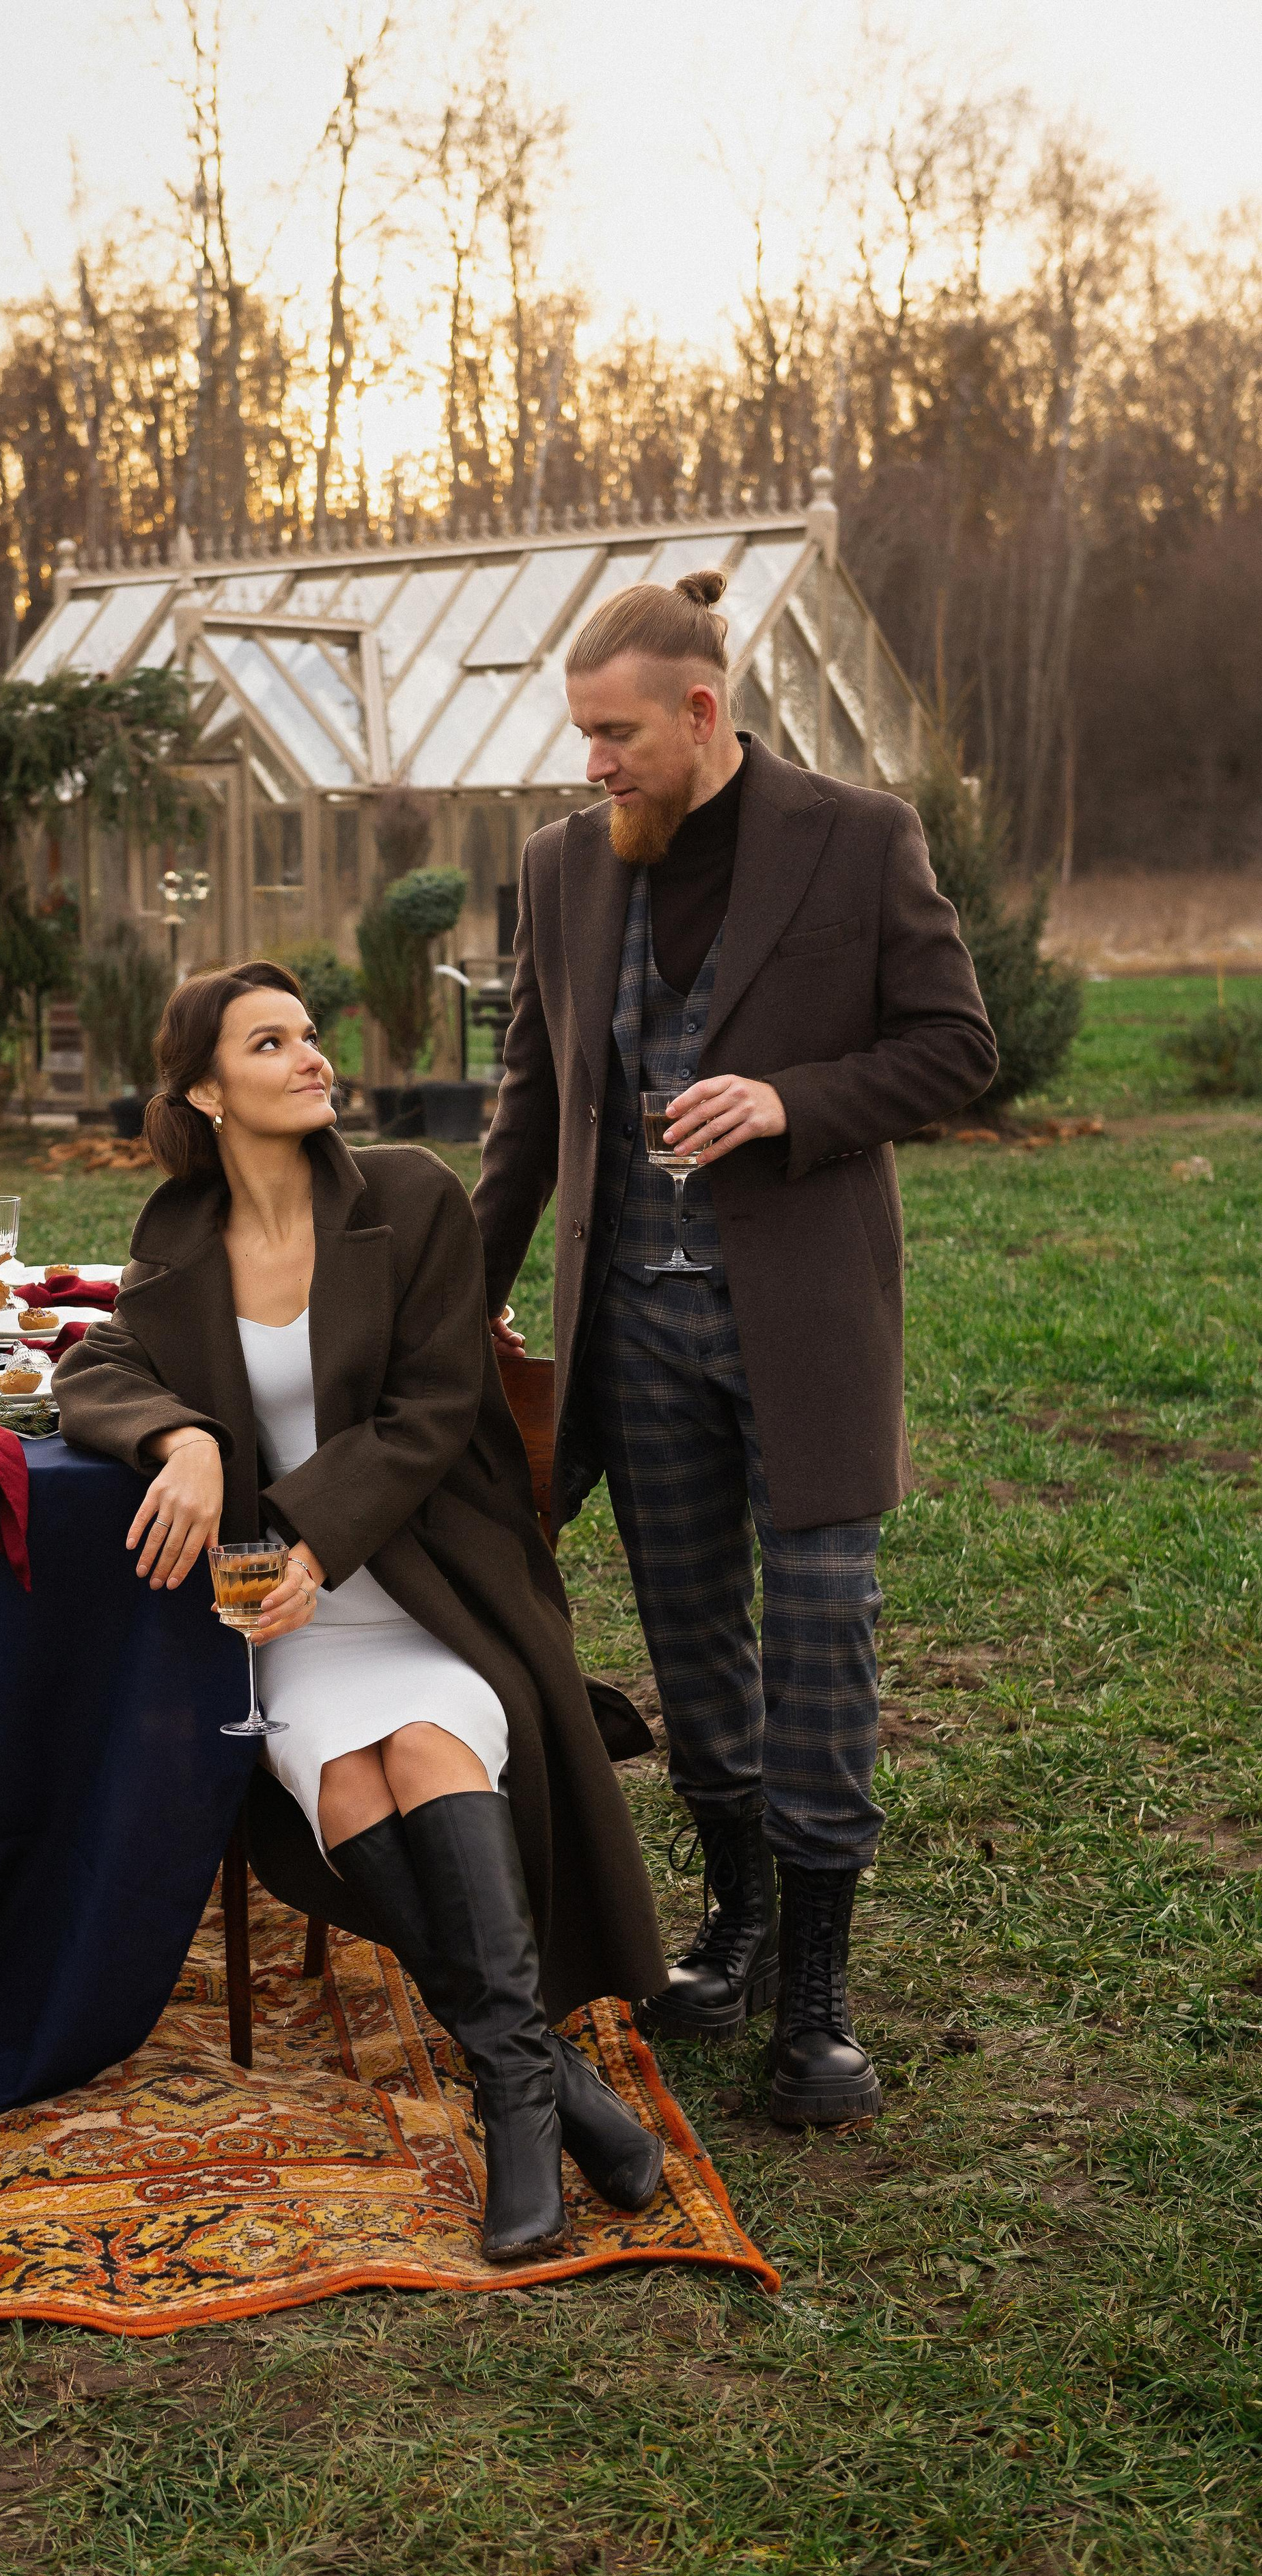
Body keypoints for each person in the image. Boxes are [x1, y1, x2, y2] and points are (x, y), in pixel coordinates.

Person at [470, 571, 998, 2128]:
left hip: (806, 1324)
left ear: (701, 714)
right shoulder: (561, 867)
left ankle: (819, 1989)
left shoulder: (858, 836)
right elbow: (526, 1114)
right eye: (579, 735)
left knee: (820, 1634)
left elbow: (957, 1045)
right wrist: (458, 1295)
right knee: (693, 1642)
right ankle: (739, 1918)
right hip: (625, 1325)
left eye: (616, 733)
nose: (591, 765)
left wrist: (786, 1102)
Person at [54, 960, 670, 2265]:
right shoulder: (176, 1233)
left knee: (428, 1755)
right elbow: (96, 1359)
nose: (310, 1058)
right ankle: (546, 2083)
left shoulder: (408, 1196)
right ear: (205, 1089)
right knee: (349, 1792)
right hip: (290, 1633)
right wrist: (182, 1438)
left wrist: (311, 1536)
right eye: (269, 1044)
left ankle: (513, 2095)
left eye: (311, 1036)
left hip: (428, 1594)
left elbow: (437, 1409)